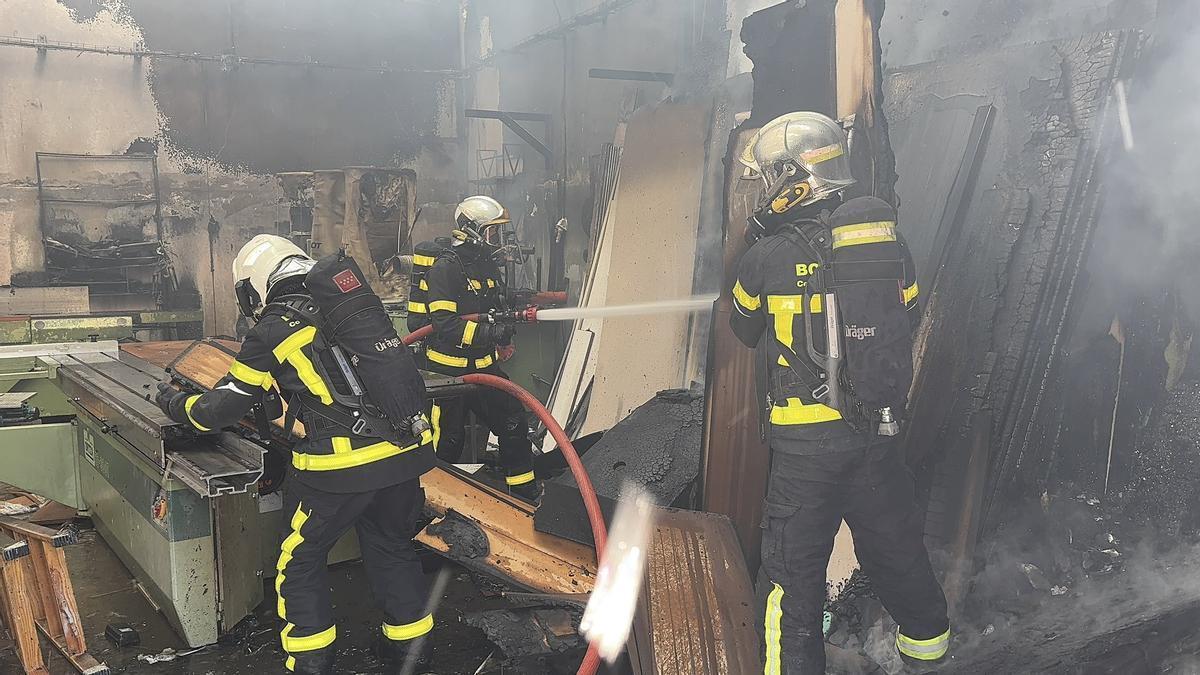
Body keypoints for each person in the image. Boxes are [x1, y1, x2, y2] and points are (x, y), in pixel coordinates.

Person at [728, 112, 950, 672]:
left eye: (771, 178)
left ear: (792, 178)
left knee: (791, 581)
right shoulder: (885, 246)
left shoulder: (766, 257)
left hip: (805, 454)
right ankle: (929, 654)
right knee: (896, 548)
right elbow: (910, 312)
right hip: (876, 437)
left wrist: (755, 234)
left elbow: (742, 325)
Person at [155, 235, 435, 675]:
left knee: (299, 561)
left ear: (255, 285)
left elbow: (219, 411)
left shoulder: (274, 327)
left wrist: (173, 403)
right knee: (391, 546)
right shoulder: (351, 305)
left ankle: (310, 664)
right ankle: (410, 652)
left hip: (339, 470)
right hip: (404, 455)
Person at [412, 195, 539, 500]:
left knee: (513, 421)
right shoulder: (446, 269)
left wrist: (504, 337)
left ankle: (524, 495)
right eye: (491, 231)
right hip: (448, 376)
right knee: (447, 444)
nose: (496, 238)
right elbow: (446, 324)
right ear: (471, 229)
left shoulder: (484, 266)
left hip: (484, 370)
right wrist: (489, 332)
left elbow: (494, 308)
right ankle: (436, 503)